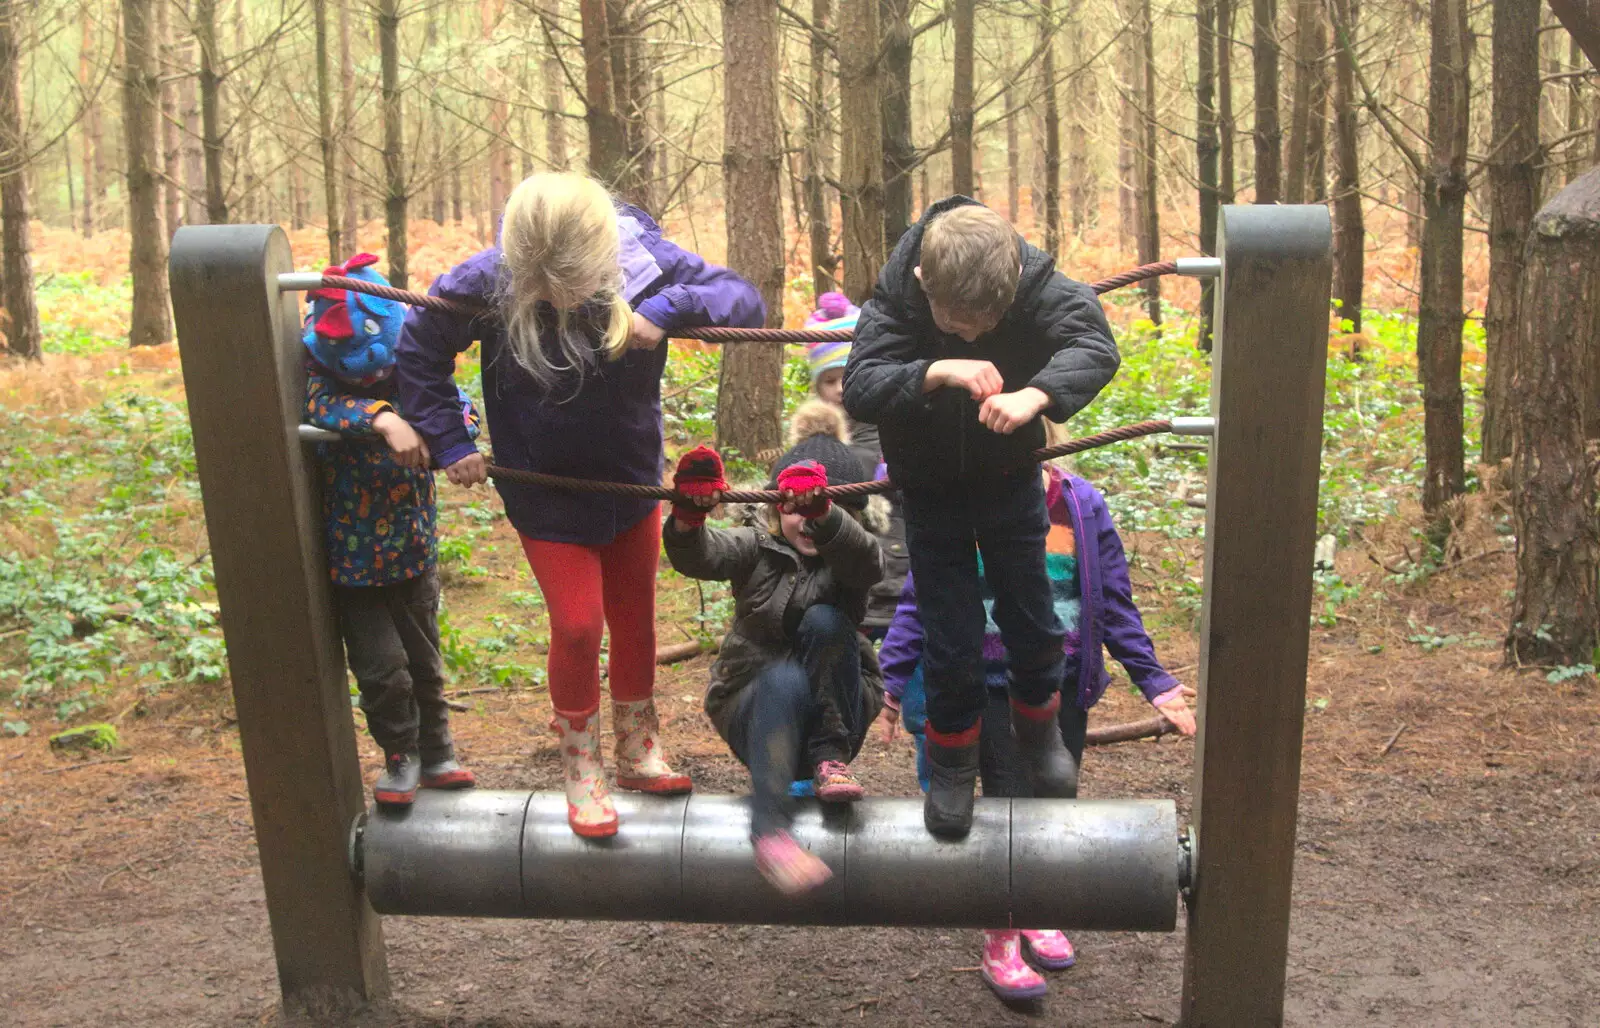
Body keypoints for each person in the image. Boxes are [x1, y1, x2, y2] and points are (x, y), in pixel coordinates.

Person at [395, 172, 765, 837]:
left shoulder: (643, 262)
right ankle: (580, 763)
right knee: (575, 623)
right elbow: (419, 351)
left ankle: (637, 745)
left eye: (572, 287)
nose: (559, 300)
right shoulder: (487, 277)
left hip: (629, 481)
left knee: (636, 617)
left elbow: (743, 299)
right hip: (542, 490)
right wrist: (451, 439)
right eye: (542, 291)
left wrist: (667, 309)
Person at [843, 197, 1121, 836]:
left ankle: (1039, 728)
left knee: (1030, 615)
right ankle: (950, 761)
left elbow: (1094, 343)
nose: (969, 332)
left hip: (1009, 482)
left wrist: (1035, 395)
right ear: (923, 283)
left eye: (983, 323)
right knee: (952, 633)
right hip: (932, 492)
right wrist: (936, 369)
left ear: (1013, 285)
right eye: (954, 321)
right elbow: (862, 384)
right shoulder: (898, 298)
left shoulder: (1037, 285)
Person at [877, 462, 1196, 1001]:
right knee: (1010, 804)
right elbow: (921, 598)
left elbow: (1111, 597)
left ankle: (1037, 907)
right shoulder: (959, 501)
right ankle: (1001, 934)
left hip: (1062, 680)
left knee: (1056, 793)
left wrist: (1153, 679)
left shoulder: (1080, 502)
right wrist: (891, 677)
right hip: (989, 681)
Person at [661, 438, 885, 896]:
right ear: (773, 510)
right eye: (794, 508)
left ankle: (829, 762)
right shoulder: (756, 548)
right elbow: (705, 554)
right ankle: (770, 834)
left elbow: (866, 561)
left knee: (825, 620)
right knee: (783, 678)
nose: (804, 520)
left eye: (817, 510)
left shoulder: (851, 562)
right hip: (756, 710)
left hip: (837, 719)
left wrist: (825, 515)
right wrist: (689, 518)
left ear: (850, 515)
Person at [302, 253, 480, 806]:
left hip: (414, 552)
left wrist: (450, 438)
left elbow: (461, 408)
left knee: (425, 664)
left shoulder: (416, 372)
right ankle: (399, 755)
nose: (375, 376)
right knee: (383, 673)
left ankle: (438, 749)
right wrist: (383, 417)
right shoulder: (321, 380)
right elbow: (321, 404)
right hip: (353, 566)